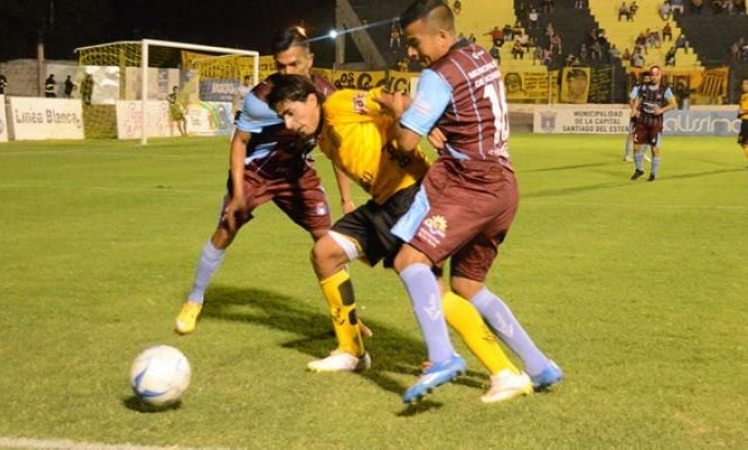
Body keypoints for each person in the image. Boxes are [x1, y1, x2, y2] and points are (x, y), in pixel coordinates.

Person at [267, 75, 534, 403]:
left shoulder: (337, 104)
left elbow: (391, 100)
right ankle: (351, 350)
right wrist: (346, 197)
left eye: (291, 112)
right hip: (384, 203)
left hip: (413, 194)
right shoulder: (322, 134)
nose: (288, 123)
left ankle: (504, 371)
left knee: (430, 287)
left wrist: (420, 120)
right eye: (282, 117)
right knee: (326, 253)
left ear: (311, 100)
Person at [379, 0, 562, 404]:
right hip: (504, 185)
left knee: (409, 261)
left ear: (442, 35)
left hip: (471, 183)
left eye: (415, 42)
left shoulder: (437, 75)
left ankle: (442, 357)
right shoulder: (479, 54)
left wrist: (398, 111)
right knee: (467, 284)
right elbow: (464, 108)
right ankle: (539, 366)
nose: (410, 52)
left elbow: (405, 143)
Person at [174, 26, 346, 336]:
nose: (287, 72)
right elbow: (239, 142)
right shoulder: (262, 98)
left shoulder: (326, 95)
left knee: (328, 242)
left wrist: (347, 198)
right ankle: (194, 300)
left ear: (310, 60)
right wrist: (239, 192)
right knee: (226, 229)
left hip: (297, 172)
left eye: (294, 64)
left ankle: (346, 317)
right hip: (257, 172)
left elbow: (338, 147)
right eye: (280, 65)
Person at [630, 65, 677, 181]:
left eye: (657, 75)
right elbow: (638, 98)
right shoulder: (643, 87)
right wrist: (634, 109)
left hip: (655, 123)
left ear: (661, 76)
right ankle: (639, 169)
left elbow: (673, 104)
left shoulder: (665, 90)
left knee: (654, 149)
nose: (654, 77)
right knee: (636, 146)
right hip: (642, 121)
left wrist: (661, 110)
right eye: (652, 75)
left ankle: (653, 173)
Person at [624, 71, 653, 161]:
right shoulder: (637, 88)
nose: (647, 80)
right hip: (637, 113)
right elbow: (631, 99)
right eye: (645, 78)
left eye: (648, 78)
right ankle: (627, 155)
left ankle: (642, 153)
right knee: (632, 134)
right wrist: (634, 110)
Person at [738, 78, 748, 164]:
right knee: (743, 143)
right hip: (744, 120)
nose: (744, 86)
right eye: (743, 84)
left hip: (746, 121)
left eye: (746, 84)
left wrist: (742, 111)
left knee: (743, 142)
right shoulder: (743, 96)